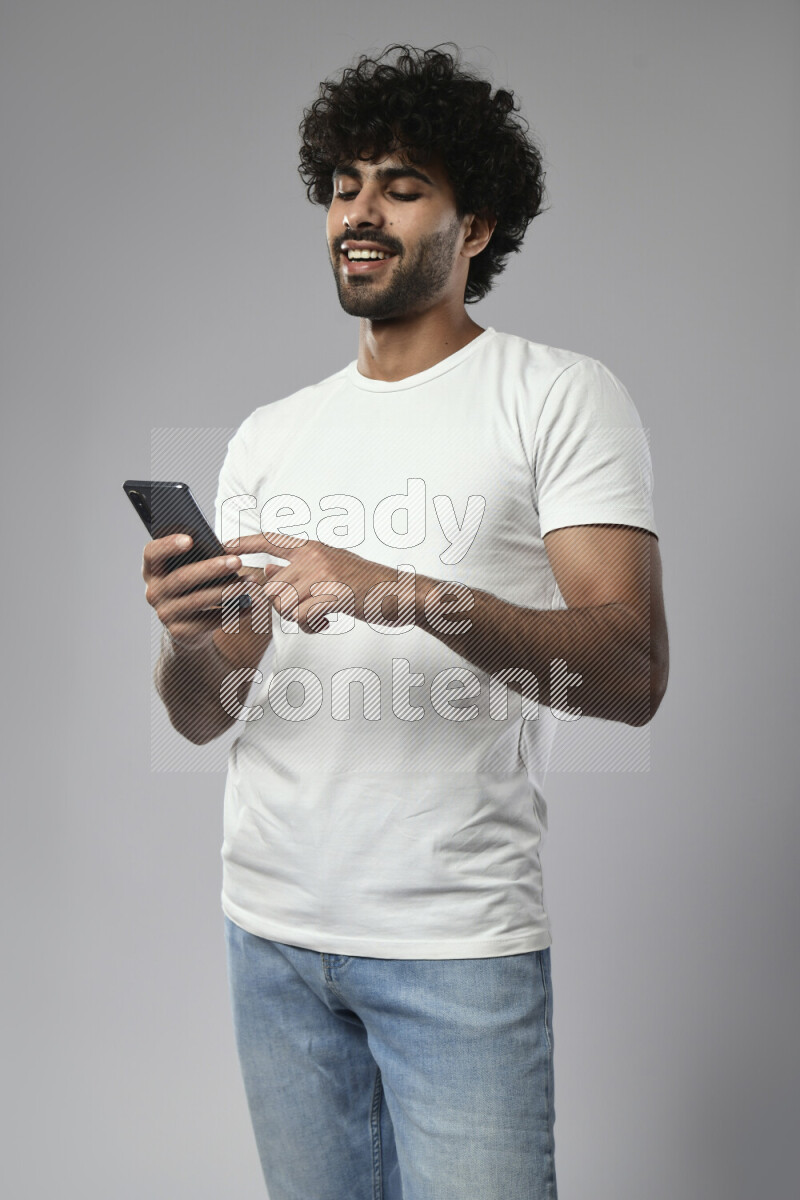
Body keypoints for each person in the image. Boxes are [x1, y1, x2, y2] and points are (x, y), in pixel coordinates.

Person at [141, 43, 668, 1200]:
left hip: (453, 948)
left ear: (474, 226)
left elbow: (627, 673)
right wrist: (190, 638)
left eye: (400, 185)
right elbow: (203, 714)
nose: (358, 213)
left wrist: (410, 594)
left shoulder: (557, 395)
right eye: (342, 185)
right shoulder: (270, 434)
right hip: (268, 935)